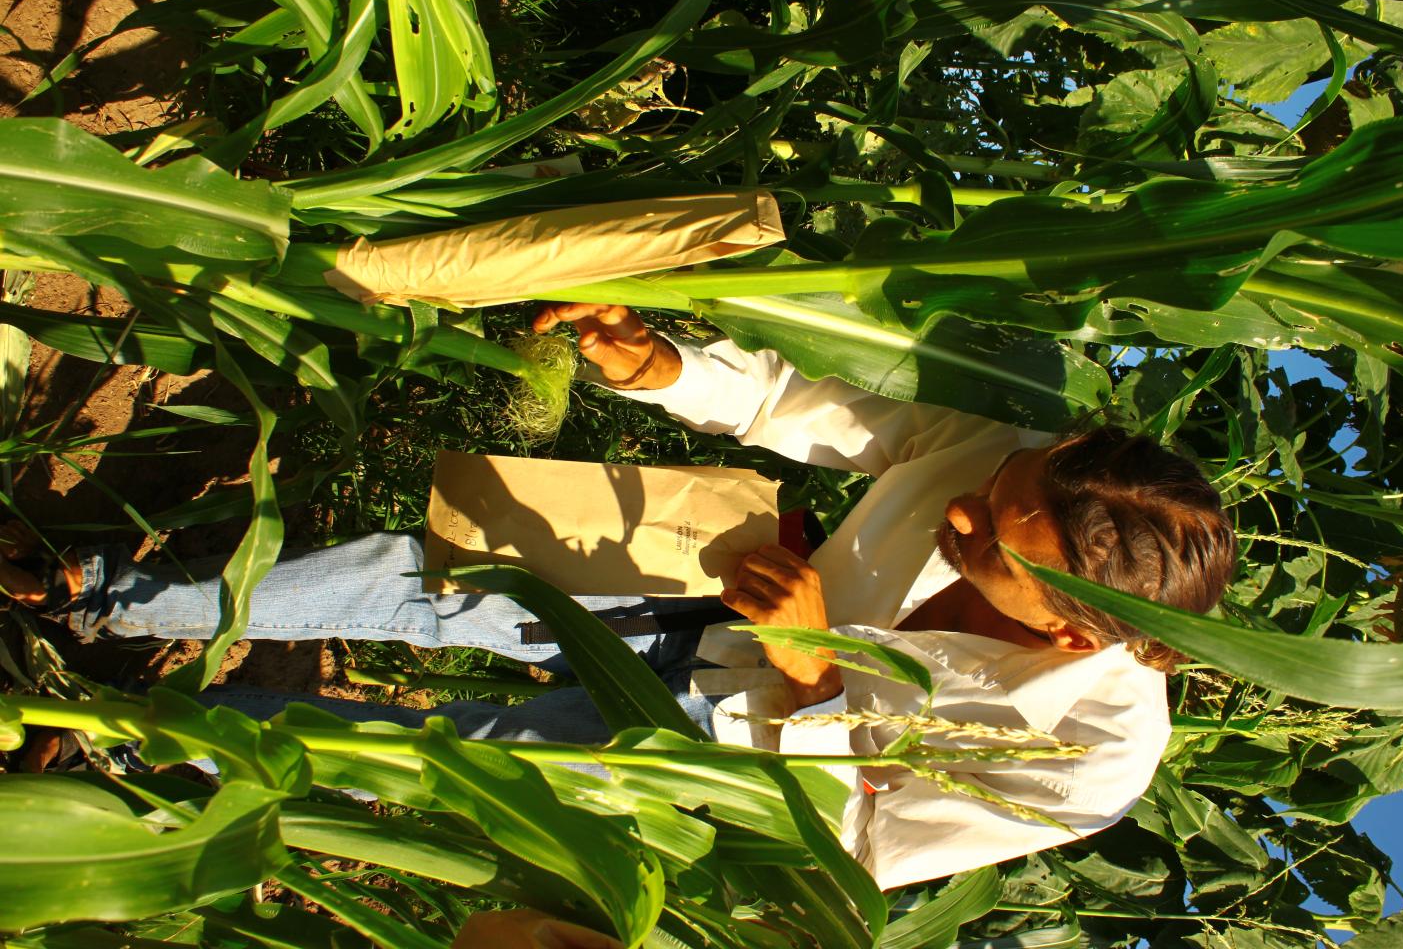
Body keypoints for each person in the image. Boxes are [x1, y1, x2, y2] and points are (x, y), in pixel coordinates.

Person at [9, 303, 1235, 891]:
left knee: (419, 748)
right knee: (428, 583)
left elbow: (858, 841)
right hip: (717, 613)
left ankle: (133, 747)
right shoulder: (1009, 453)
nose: (959, 509)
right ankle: (97, 591)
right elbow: (817, 415)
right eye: (995, 484)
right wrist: (669, 368)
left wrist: (811, 667)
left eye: (983, 539)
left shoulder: (1091, 759)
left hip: (694, 761)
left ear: (1072, 629)